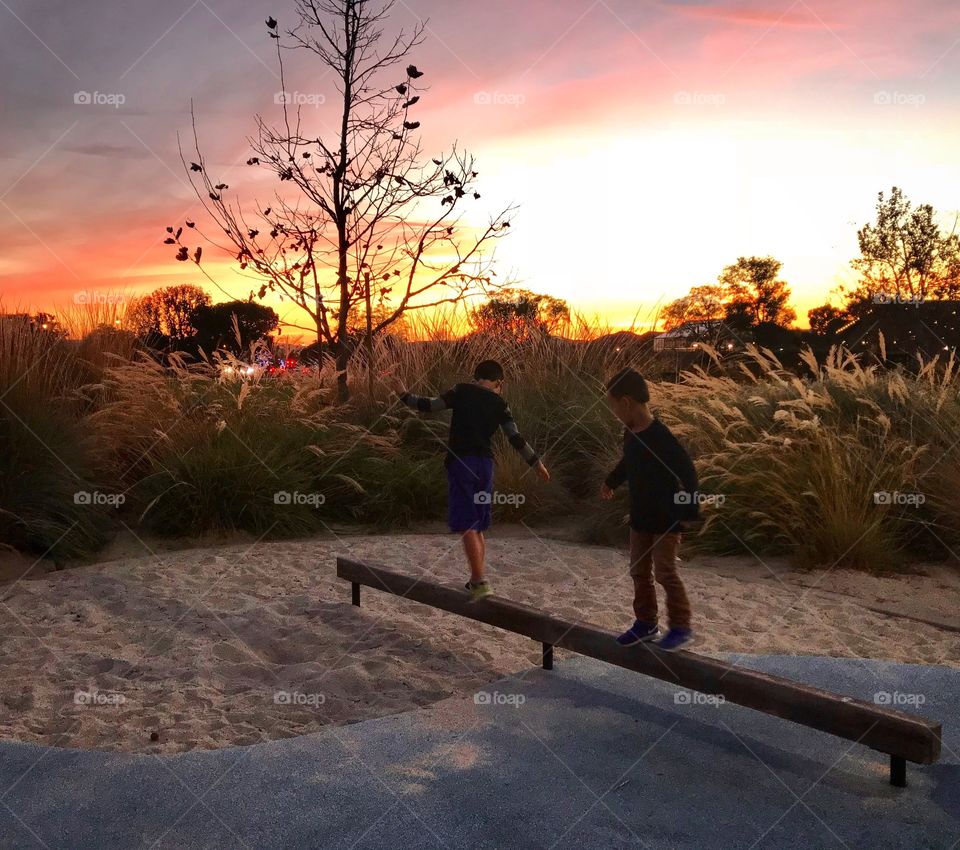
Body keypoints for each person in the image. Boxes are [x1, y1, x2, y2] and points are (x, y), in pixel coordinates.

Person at [396, 360, 550, 601]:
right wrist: (536, 463)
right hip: (485, 465)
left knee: (467, 521)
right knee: (477, 523)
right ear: (500, 383)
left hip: (462, 463)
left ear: (476, 377)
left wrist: (403, 394)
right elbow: (515, 438)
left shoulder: (461, 390)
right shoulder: (501, 403)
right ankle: (475, 579)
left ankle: (479, 581)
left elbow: (428, 406)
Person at [601, 367, 699, 651]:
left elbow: (688, 472)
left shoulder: (661, 436)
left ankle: (680, 627)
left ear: (627, 402)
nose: (614, 413)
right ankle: (646, 623)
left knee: (665, 572)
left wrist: (688, 511)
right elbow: (627, 463)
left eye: (614, 406)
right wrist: (611, 481)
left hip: (666, 518)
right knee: (638, 571)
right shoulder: (630, 433)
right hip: (640, 516)